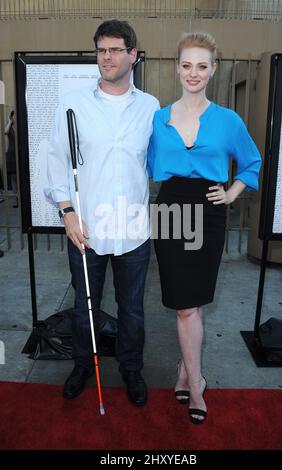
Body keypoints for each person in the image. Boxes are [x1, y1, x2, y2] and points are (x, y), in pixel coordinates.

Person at [148, 32, 261, 424]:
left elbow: (251, 163)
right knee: (183, 305)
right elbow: (138, 165)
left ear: (213, 70)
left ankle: (189, 376)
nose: (193, 73)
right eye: (186, 65)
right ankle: (194, 379)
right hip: (169, 211)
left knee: (191, 304)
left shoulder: (228, 121)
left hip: (209, 213)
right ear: (176, 68)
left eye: (201, 66)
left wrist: (231, 194)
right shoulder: (158, 118)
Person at [45, 19, 159, 405]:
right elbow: (56, 160)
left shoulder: (150, 107)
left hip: (133, 231)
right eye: (101, 50)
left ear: (133, 55)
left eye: (114, 49)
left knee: (132, 309)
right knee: (84, 307)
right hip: (87, 230)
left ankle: (131, 369)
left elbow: (159, 162)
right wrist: (67, 212)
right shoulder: (73, 103)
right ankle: (81, 364)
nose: (106, 56)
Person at [5, 110, 18, 208]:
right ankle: (16, 201)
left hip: (20, 155)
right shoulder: (10, 127)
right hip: (12, 155)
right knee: (13, 178)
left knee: (20, 178)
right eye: (13, 116)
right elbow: (5, 131)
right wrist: (9, 121)